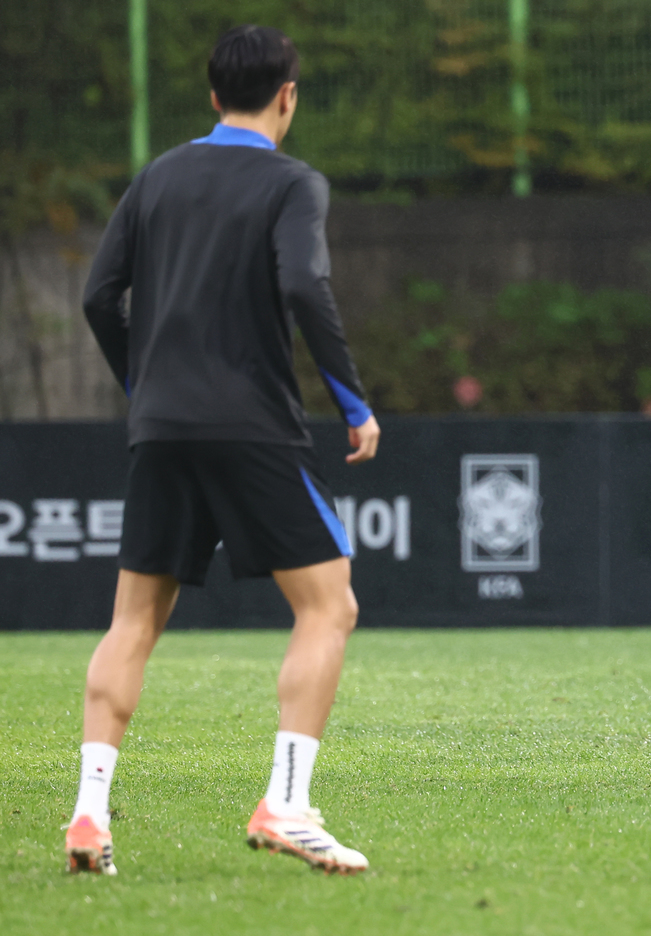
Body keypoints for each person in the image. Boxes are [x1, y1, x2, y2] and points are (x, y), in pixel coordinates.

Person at [68, 25, 379, 876]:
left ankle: (89, 816)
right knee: (329, 606)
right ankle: (287, 802)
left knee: (133, 620)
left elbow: (100, 297)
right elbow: (303, 283)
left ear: (212, 97)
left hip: (162, 427)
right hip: (250, 427)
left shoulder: (157, 177)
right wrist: (353, 401)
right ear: (288, 95)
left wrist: (147, 390)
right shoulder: (292, 183)